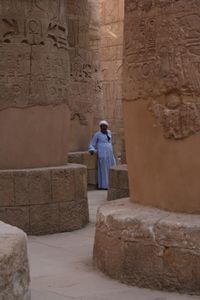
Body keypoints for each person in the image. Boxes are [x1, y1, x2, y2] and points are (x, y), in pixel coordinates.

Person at [88, 120, 116, 190]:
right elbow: (92, 144)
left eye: (104, 126)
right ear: (100, 127)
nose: (103, 127)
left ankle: (111, 184)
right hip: (102, 153)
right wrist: (92, 149)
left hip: (110, 153)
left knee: (112, 166)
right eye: (102, 126)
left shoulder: (109, 132)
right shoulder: (97, 134)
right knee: (103, 168)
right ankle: (104, 185)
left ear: (107, 127)